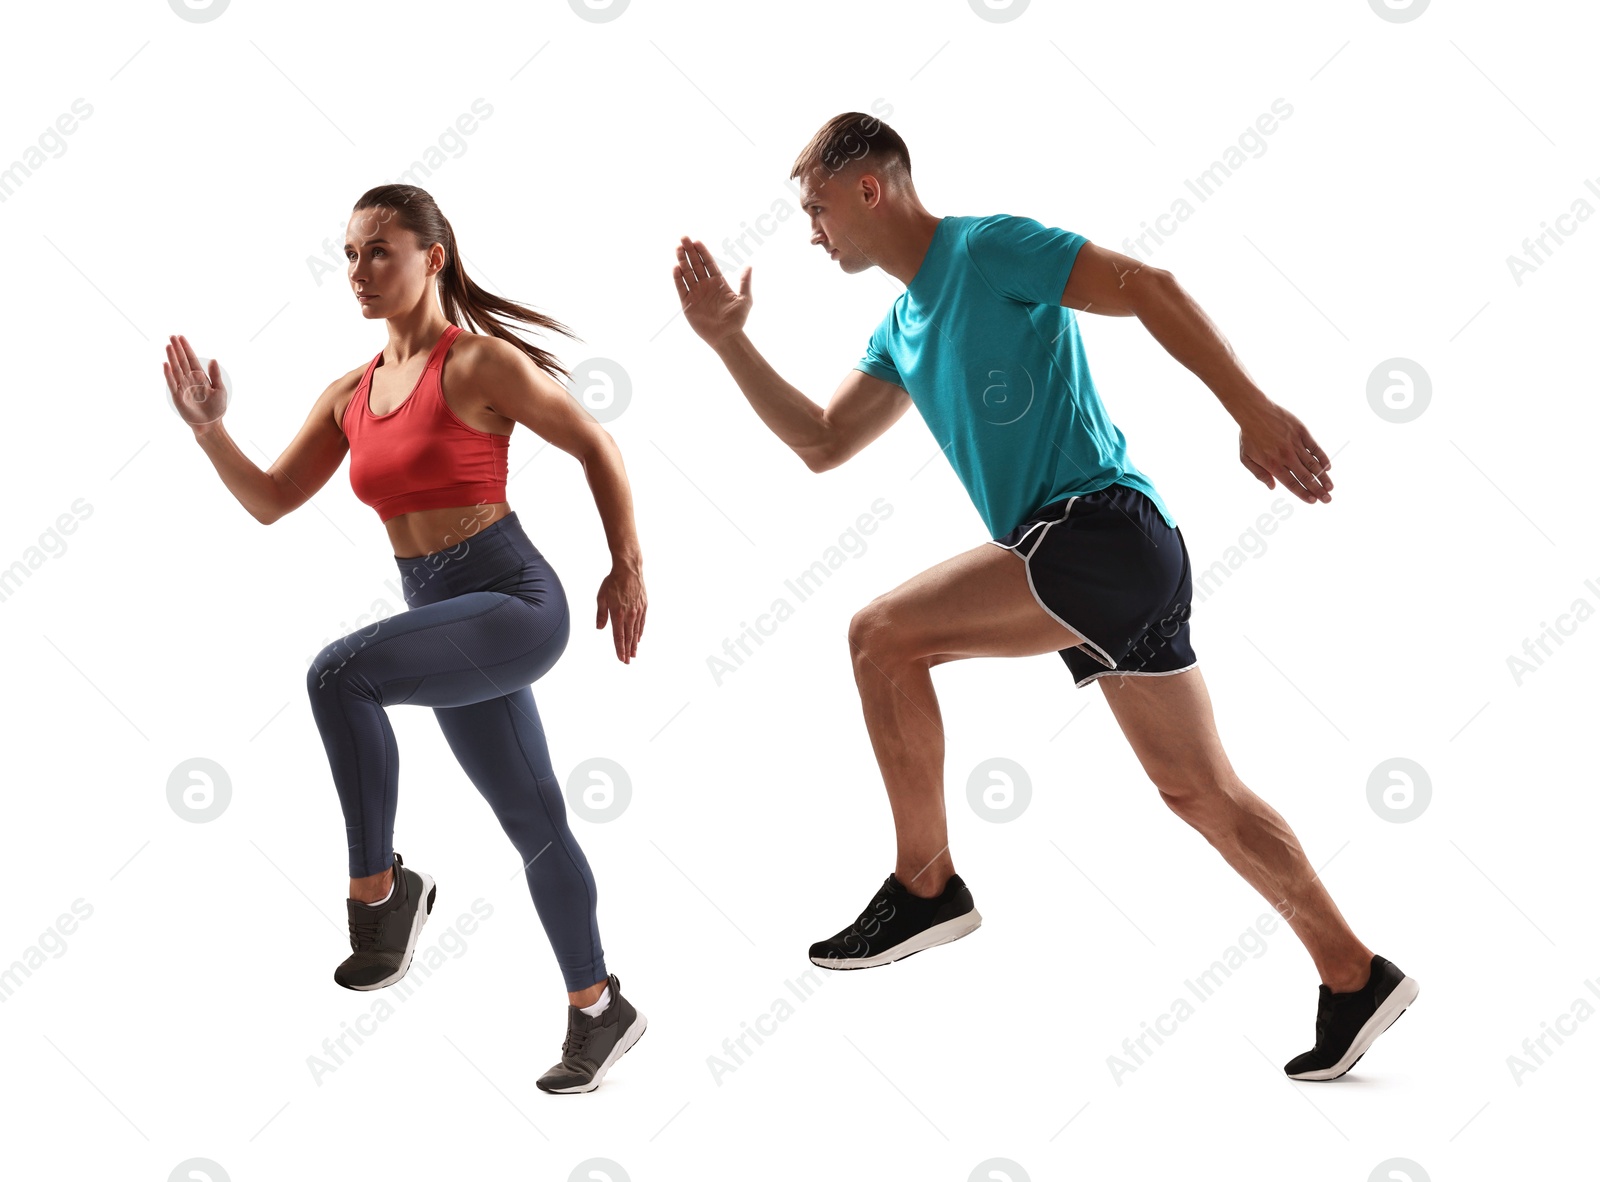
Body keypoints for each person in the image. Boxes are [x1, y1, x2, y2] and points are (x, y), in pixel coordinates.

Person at [673, 113, 1417, 1082]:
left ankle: (925, 885)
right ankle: (1352, 973)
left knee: (881, 636)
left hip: (1097, 531)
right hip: (1103, 560)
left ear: (870, 189)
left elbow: (1146, 287)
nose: (812, 230)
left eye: (818, 207)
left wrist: (1250, 407)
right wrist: (728, 342)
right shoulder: (901, 325)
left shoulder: (987, 247)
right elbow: (820, 441)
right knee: (1201, 792)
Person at [165, 184, 647, 1094]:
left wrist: (626, 564)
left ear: (434, 258)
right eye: (349, 253)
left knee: (337, 675)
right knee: (537, 825)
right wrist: (210, 432)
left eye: (380, 251)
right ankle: (599, 1008)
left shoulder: (477, 366)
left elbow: (596, 444)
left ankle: (379, 893)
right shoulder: (349, 394)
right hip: (447, 623)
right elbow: (270, 501)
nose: (360, 271)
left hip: (512, 601)